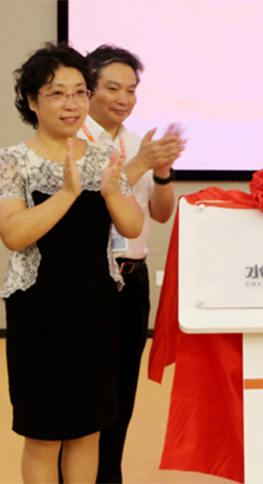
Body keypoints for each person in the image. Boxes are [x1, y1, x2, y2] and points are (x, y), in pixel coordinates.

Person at [0, 43, 142, 482]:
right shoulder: (14, 160)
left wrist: (112, 191)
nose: (72, 104)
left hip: (96, 308)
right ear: (32, 101)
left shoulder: (104, 156)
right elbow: (13, 234)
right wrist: (67, 193)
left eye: (80, 92)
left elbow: (133, 226)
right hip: (38, 312)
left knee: (88, 431)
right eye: (57, 93)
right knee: (43, 435)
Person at [80, 45, 185, 483]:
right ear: (87, 90)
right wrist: (141, 163)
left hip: (133, 279)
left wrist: (162, 173)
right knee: (86, 393)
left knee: (122, 393)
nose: (124, 99)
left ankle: (109, 475)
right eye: (113, 88)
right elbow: (89, 207)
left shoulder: (136, 142)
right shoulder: (72, 140)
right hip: (90, 280)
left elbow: (161, 214)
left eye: (131, 90)